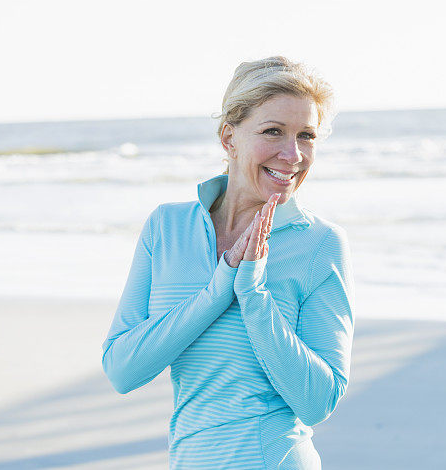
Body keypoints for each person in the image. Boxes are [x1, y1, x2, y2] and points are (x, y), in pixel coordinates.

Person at [101, 56, 355, 469]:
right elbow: (122, 370)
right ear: (228, 138)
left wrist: (253, 295)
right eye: (273, 131)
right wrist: (219, 289)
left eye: (306, 135)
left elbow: (317, 402)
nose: (292, 155)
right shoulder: (168, 227)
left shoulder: (319, 243)